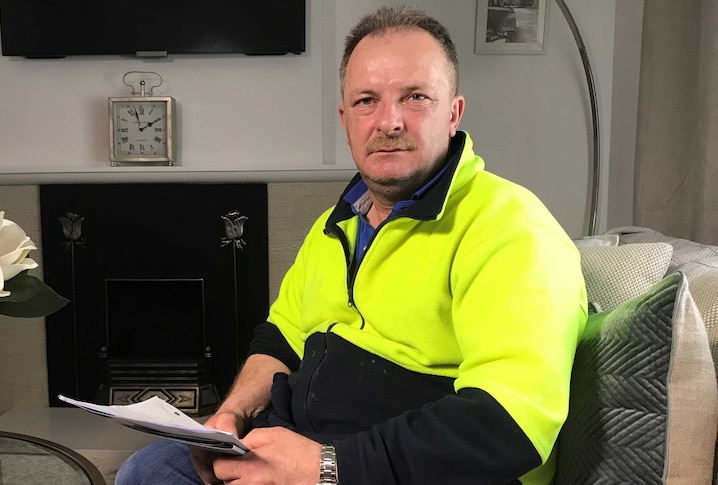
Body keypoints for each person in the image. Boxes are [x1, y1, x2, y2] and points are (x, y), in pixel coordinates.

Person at [116, 6, 586, 484]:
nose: (389, 122)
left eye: (416, 96)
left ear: (453, 113)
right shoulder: (334, 226)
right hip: (300, 440)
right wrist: (231, 416)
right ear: (346, 120)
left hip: (393, 471)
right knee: (147, 470)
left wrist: (324, 467)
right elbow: (281, 337)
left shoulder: (512, 227)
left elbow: (509, 425)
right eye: (366, 101)